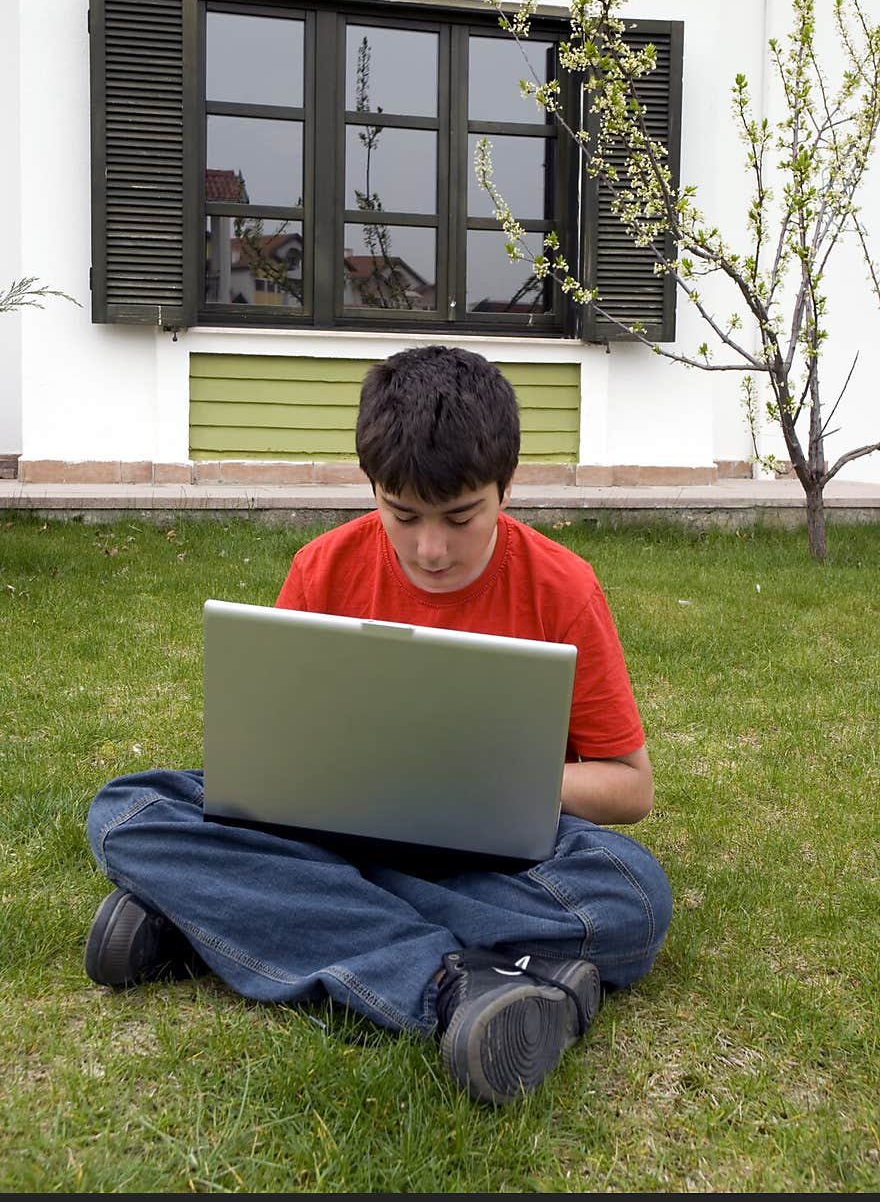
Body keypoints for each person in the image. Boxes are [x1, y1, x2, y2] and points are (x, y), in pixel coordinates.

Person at [84, 345, 672, 1106]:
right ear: (372, 488)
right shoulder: (323, 568)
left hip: (494, 854)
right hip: (334, 825)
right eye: (403, 515)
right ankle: (449, 981)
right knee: (128, 811)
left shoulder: (562, 586)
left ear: (507, 487)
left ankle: (227, 915)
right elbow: (271, 752)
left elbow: (631, 787)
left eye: (461, 518)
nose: (431, 548)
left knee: (634, 897)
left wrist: (507, 780)